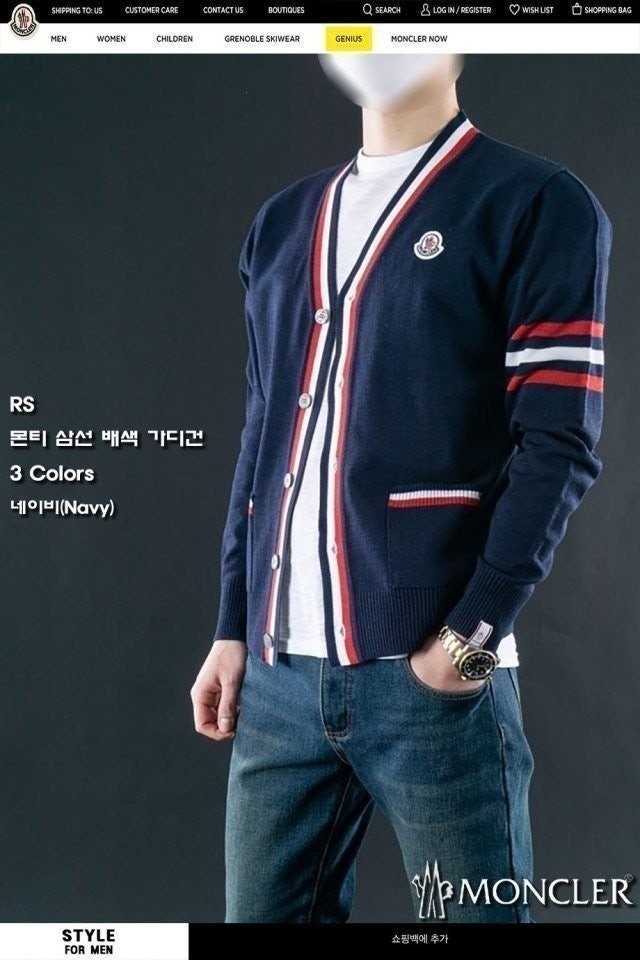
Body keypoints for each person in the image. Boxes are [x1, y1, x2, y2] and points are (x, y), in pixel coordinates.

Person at [190, 54, 612, 923]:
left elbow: (559, 443)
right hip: (277, 680)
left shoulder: (535, 202)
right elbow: (265, 440)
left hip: (432, 680)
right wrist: (234, 624)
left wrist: (470, 640)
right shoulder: (281, 223)